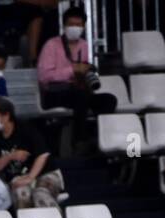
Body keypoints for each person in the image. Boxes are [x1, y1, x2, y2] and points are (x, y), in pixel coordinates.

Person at [37, 6, 116, 146]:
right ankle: (79, 141)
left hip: (79, 91)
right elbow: (44, 76)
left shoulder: (86, 46)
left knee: (108, 100)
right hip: (54, 93)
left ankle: (104, 138)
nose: (74, 28)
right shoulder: (51, 45)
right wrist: (72, 70)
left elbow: (88, 70)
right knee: (80, 96)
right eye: (71, 24)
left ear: (84, 26)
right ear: (64, 25)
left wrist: (86, 72)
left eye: (78, 25)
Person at [0, 97, 62, 211]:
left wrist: (30, 177)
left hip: (44, 173)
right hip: (18, 178)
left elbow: (42, 154)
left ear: (6, 115)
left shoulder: (25, 128)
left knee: (41, 194)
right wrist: (9, 156)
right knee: (20, 194)